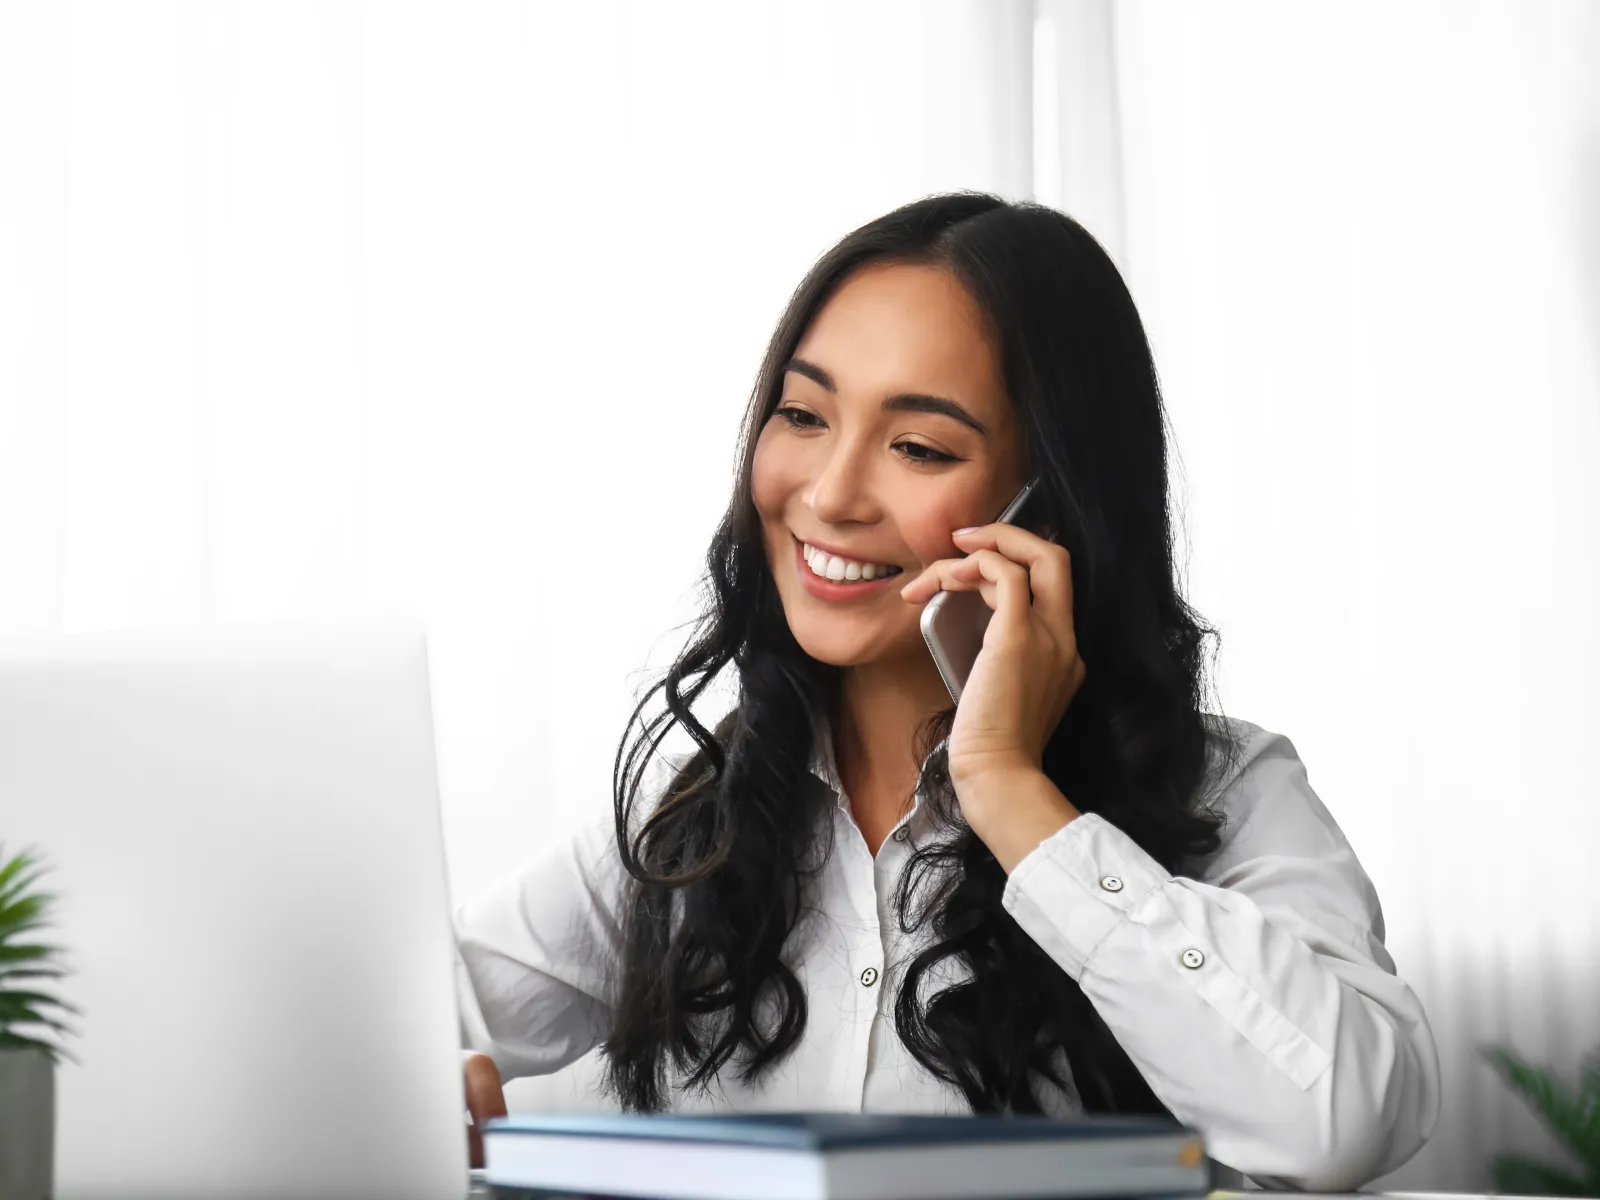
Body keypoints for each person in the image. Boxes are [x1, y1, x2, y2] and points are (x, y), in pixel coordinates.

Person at [455, 193, 1441, 1190]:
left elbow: (1343, 1122)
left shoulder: (1229, 793)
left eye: (918, 447)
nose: (831, 495)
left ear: (1047, 501)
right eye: (802, 416)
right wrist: (423, 1088)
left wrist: (1012, 794)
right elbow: (392, 1019)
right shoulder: (695, 823)